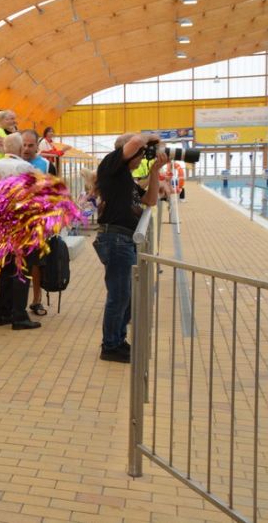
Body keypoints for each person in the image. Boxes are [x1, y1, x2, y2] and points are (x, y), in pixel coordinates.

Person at [95, 133, 167, 363]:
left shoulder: (126, 179)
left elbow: (150, 200)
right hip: (115, 239)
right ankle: (110, 346)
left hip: (125, 240)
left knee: (128, 296)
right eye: (140, 154)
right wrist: (154, 137)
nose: (142, 158)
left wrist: (155, 171)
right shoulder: (111, 165)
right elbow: (135, 141)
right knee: (119, 295)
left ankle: (118, 339)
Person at [0, 133, 42, 330]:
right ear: (19, 148)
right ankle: (19, 315)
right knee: (22, 268)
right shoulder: (24, 167)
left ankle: (3, 312)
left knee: (6, 267)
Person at [20, 129, 50, 318]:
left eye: (30, 145)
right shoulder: (14, 162)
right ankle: (15, 303)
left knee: (37, 264)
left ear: (37, 146)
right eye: (24, 145)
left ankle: (36, 300)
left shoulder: (45, 164)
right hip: (15, 222)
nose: (26, 149)